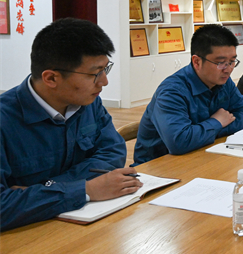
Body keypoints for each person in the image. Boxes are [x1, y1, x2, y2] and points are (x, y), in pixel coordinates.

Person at [0, 18, 141, 231]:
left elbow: (113, 152)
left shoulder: (88, 103)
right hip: (27, 236)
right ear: (51, 78)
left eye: (106, 69)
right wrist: (85, 190)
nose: (104, 81)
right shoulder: (5, 120)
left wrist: (49, 188)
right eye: (95, 73)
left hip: (80, 225)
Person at [133, 25, 243, 165]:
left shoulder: (223, 81)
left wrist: (210, 130)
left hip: (202, 155)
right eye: (221, 63)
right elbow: (179, 142)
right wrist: (217, 122)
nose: (228, 69)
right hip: (158, 167)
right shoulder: (172, 92)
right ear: (197, 61)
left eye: (232, 62)